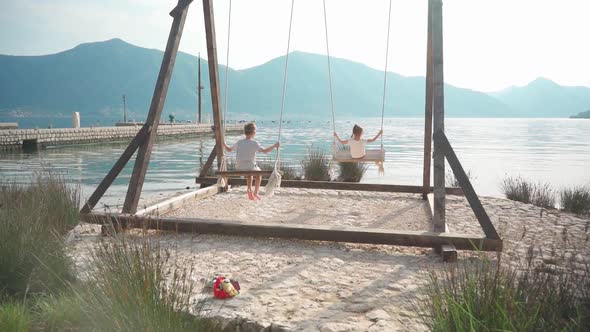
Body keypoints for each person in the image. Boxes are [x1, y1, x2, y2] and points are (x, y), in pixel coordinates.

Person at [224, 122, 280, 200]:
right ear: (254, 132)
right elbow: (264, 151)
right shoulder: (254, 143)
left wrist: (223, 143)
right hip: (250, 166)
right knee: (258, 174)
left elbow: (229, 149)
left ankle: (249, 189)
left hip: (239, 167)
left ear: (245, 132)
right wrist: (274, 146)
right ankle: (256, 192)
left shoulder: (239, 142)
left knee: (249, 174)